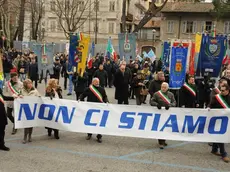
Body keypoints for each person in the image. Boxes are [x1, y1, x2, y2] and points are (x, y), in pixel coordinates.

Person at [79, 78, 109, 143]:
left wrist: (106, 101)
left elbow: (105, 97)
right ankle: (89, 134)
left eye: (98, 81)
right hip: (90, 109)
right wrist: (79, 99)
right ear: (92, 82)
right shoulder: (89, 89)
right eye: (96, 82)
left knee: (99, 123)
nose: (97, 83)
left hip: (99, 109)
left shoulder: (102, 89)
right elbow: (83, 95)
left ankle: (99, 136)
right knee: (90, 122)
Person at [150, 82, 176, 149]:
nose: (163, 88)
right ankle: (161, 142)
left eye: (165, 87)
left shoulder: (171, 94)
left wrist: (169, 105)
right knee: (160, 127)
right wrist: (157, 105)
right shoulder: (157, 94)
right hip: (159, 113)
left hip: (167, 113)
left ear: (167, 88)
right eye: (162, 87)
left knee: (166, 128)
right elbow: (151, 101)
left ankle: (163, 140)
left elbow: (174, 102)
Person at [208, 83, 230, 163]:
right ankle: (223, 154)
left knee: (217, 134)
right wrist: (208, 108)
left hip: (227, 119)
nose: (221, 91)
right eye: (220, 90)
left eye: (223, 90)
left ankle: (214, 149)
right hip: (217, 119)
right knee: (221, 135)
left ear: (227, 90)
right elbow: (210, 105)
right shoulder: (216, 97)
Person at [21, 79, 40, 144]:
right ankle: (25, 137)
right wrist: (19, 96)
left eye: (31, 83)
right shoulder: (22, 90)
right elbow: (17, 95)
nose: (30, 85)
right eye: (28, 83)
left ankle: (30, 136)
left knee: (31, 124)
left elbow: (39, 98)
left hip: (32, 109)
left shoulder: (35, 91)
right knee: (26, 124)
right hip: (25, 109)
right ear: (25, 85)